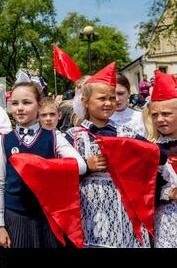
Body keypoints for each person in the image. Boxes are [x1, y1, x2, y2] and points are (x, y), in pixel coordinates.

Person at [65, 63, 165, 248]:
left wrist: (130, 153)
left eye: (112, 98)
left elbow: (160, 155)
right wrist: (86, 166)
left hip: (127, 212)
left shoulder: (125, 133)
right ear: (85, 101)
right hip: (92, 214)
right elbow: (60, 174)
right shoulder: (72, 136)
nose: (109, 103)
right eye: (102, 98)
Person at [0, 81, 86, 248]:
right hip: (15, 216)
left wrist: (42, 167)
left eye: (26, 102)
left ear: (39, 105)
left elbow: (80, 166)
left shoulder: (54, 137)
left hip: (48, 216)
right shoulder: (3, 140)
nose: (19, 108)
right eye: (15, 103)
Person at [147, 71, 177, 248]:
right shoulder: (150, 149)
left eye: (166, 114)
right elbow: (143, 191)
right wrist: (169, 193)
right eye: (155, 115)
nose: (159, 119)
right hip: (166, 221)